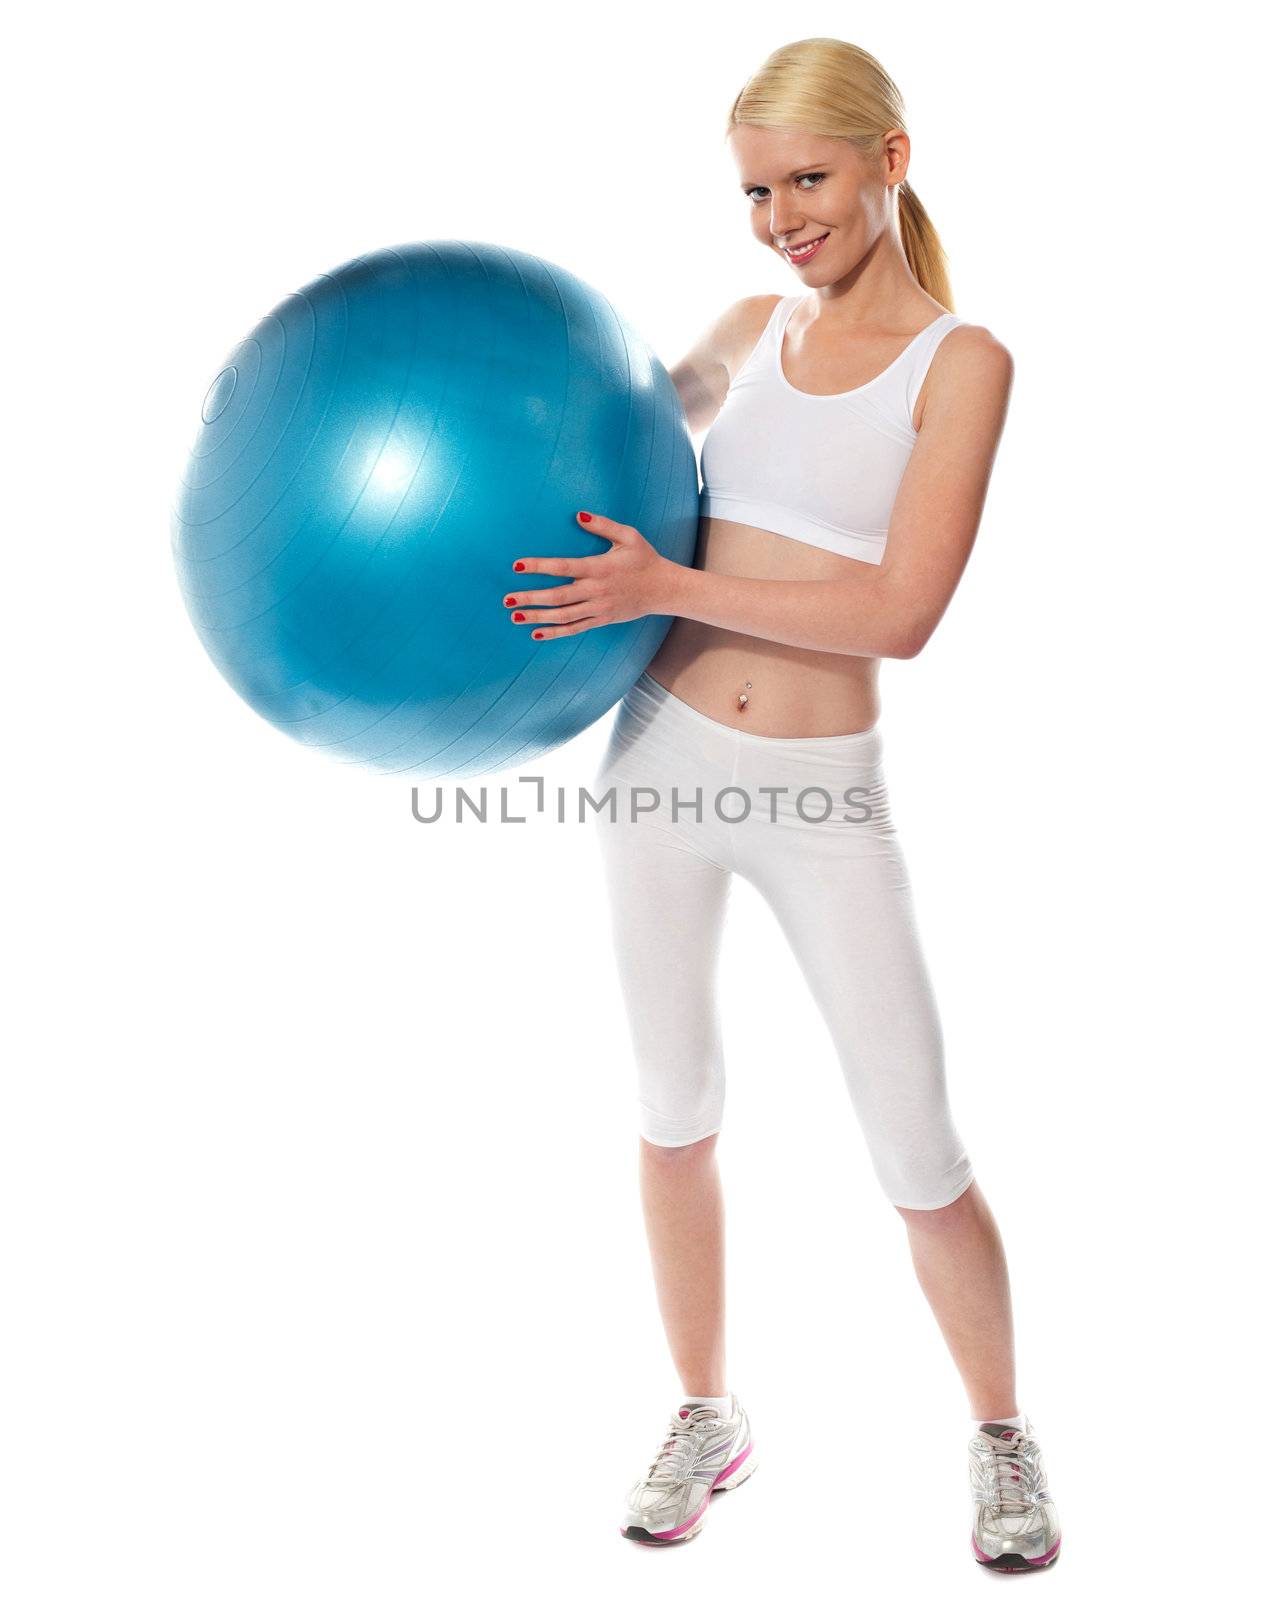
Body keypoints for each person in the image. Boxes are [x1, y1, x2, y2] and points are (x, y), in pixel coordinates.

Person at [500, 36, 1061, 1573]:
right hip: (659, 755)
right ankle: (705, 1414)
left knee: (916, 1148)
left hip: (823, 799)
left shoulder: (963, 365)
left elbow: (901, 610)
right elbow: (605, 422)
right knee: (671, 1110)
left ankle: (1003, 1442)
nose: (779, 219)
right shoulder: (749, 327)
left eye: (807, 180)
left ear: (892, 158)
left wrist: (667, 579)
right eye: (755, 191)